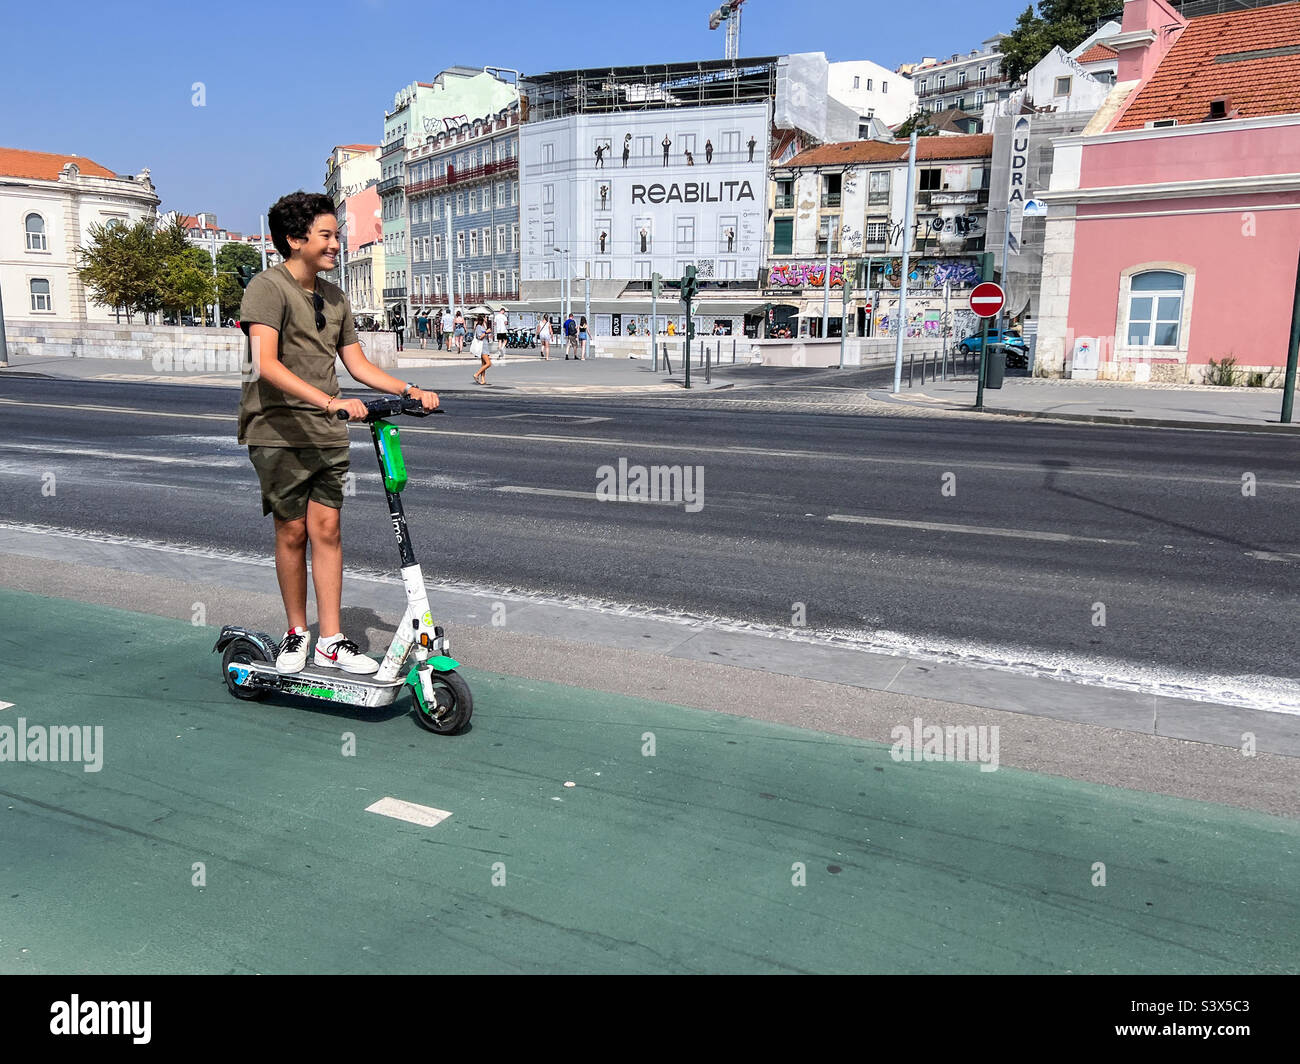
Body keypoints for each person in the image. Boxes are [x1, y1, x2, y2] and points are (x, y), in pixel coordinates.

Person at [237, 190, 438, 676]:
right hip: (279, 430)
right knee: (292, 530)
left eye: (335, 235)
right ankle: (295, 632)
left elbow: (358, 364)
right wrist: (331, 401)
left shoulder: (335, 297)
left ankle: (330, 639)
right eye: (326, 236)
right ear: (294, 239)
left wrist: (411, 389)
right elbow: (264, 363)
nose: (335, 244)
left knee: (327, 528)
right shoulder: (267, 288)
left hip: (327, 430)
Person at [471, 314, 492, 385]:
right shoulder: (479, 327)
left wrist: (488, 332)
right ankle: (476, 374)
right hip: (482, 347)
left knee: (483, 364)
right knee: (488, 363)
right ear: (483, 319)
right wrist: (486, 332)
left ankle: (483, 380)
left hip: (485, 346)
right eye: (486, 317)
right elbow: (480, 337)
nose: (487, 319)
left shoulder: (483, 326)